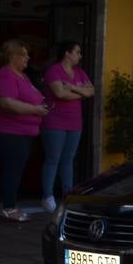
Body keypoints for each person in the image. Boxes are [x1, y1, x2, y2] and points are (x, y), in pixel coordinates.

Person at [0, 39, 50, 222]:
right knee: (12, 171)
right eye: (24, 54)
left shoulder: (21, 76)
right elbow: (6, 102)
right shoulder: (6, 76)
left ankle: (11, 205)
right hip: (11, 132)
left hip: (25, 133)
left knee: (16, 170)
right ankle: (8, 208)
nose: (28, 58)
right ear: (13, 56)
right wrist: (35, 110)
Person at [40, 40, 94, 212]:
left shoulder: (79, 72)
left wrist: (71, 87)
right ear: (67, 53)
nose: (80, 55)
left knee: (68, 159)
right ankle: (47, 196)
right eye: (77, 52)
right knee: (53, 158)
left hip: (74, 122)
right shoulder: (54, 70)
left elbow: (91, 91)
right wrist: (80, 92)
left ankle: (66, 194)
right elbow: (59, 93)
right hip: (55, 121)